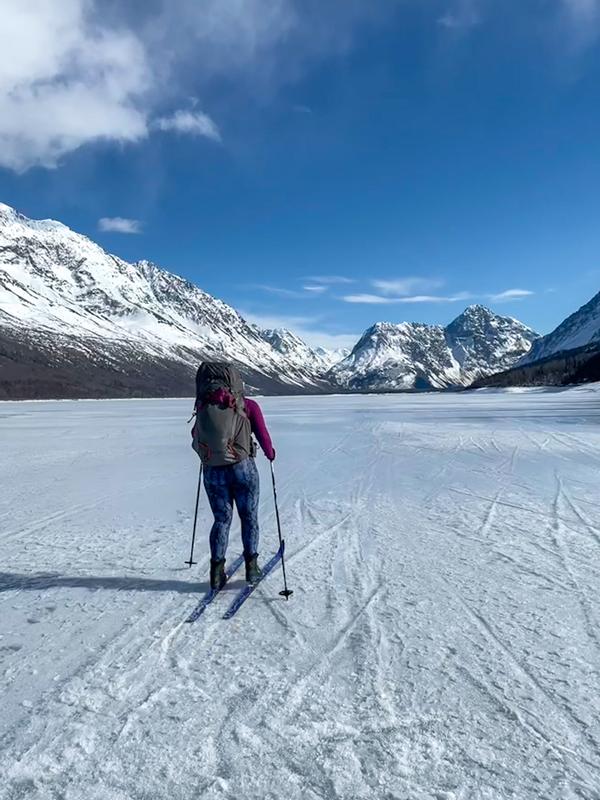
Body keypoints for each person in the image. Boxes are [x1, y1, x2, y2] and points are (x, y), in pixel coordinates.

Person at [192, 362, 275, 589]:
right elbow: (263, 435)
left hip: (213, 471)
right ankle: (252, 568)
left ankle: (217, 573)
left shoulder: (202, 407)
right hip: (243, 468)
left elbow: (195, 435)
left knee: (222, 519)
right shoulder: (247, 405)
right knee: (248, 517)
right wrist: (270, 453)